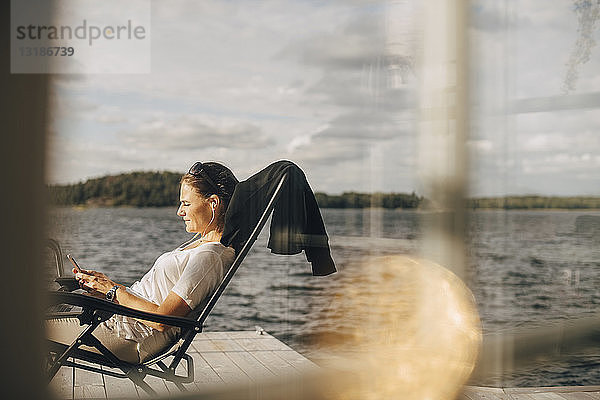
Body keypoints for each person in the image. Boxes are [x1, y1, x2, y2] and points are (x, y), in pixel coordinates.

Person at [46, 162, 238, 363]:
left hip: (125, 336)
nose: (179, 212)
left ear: (213, 203)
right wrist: (105, 288)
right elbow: (152, 295)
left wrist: (112, 291)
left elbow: (162, 320)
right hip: (115, 320)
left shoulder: (210, 256)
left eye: (186, 204)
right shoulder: (200, 244)